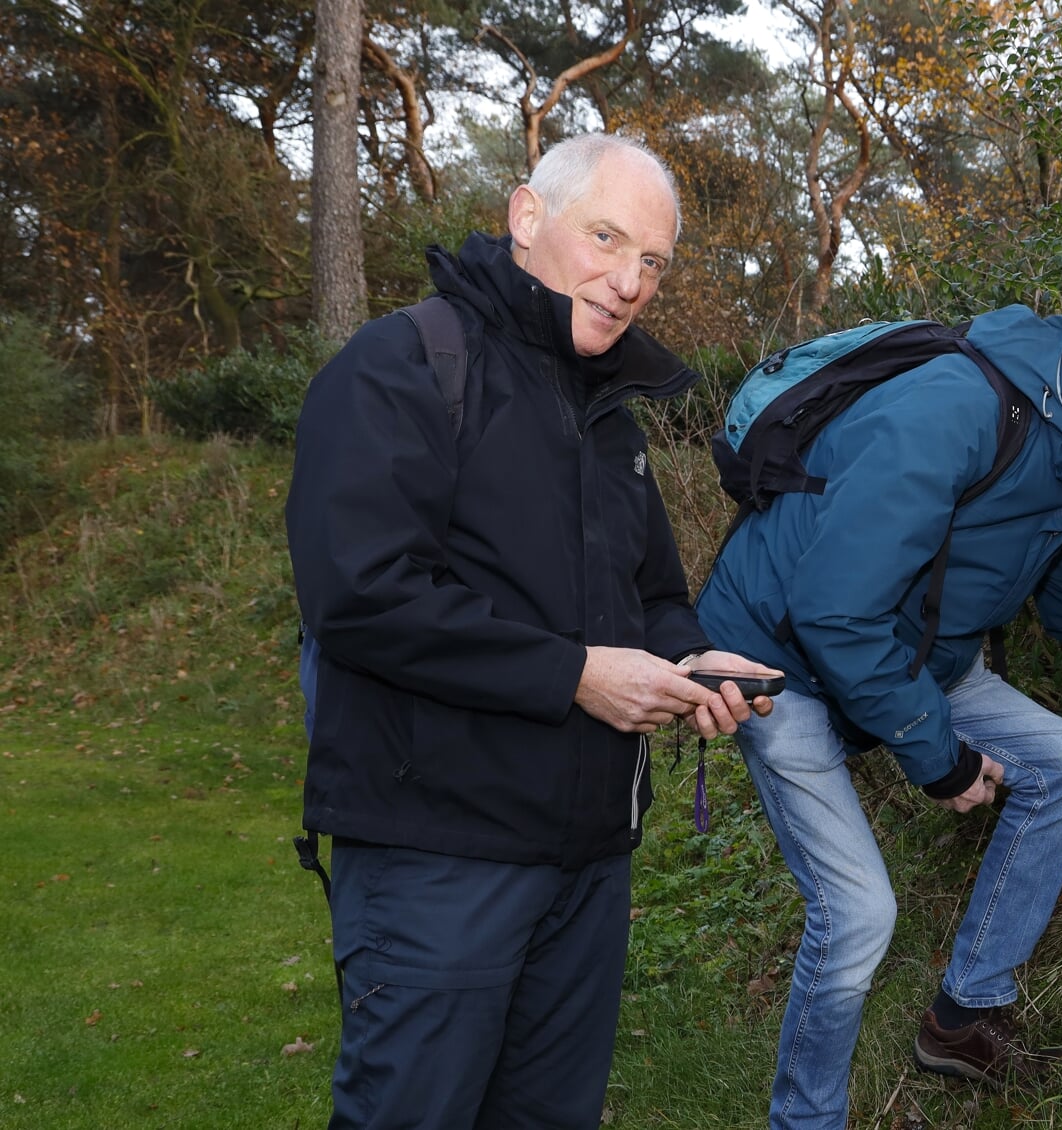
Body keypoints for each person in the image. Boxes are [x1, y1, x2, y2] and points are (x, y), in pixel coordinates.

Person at [695, 277, 1062, 1128]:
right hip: (773, 653)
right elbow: (832, 607)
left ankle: (962, 1016)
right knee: (862, 909)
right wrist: (937, 757)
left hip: (909, 655)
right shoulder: (959, 406)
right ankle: (806, 1119)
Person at [285, 133, 780, 1130]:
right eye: (607, 237)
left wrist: (691, 655)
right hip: (438, 852)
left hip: (589, 859)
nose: (629, 279)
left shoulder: (612, 415)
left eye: (653, 261)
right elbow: (362, 591)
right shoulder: (405, 363)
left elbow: (651, 593)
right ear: (526, 217)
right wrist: (573, 674)